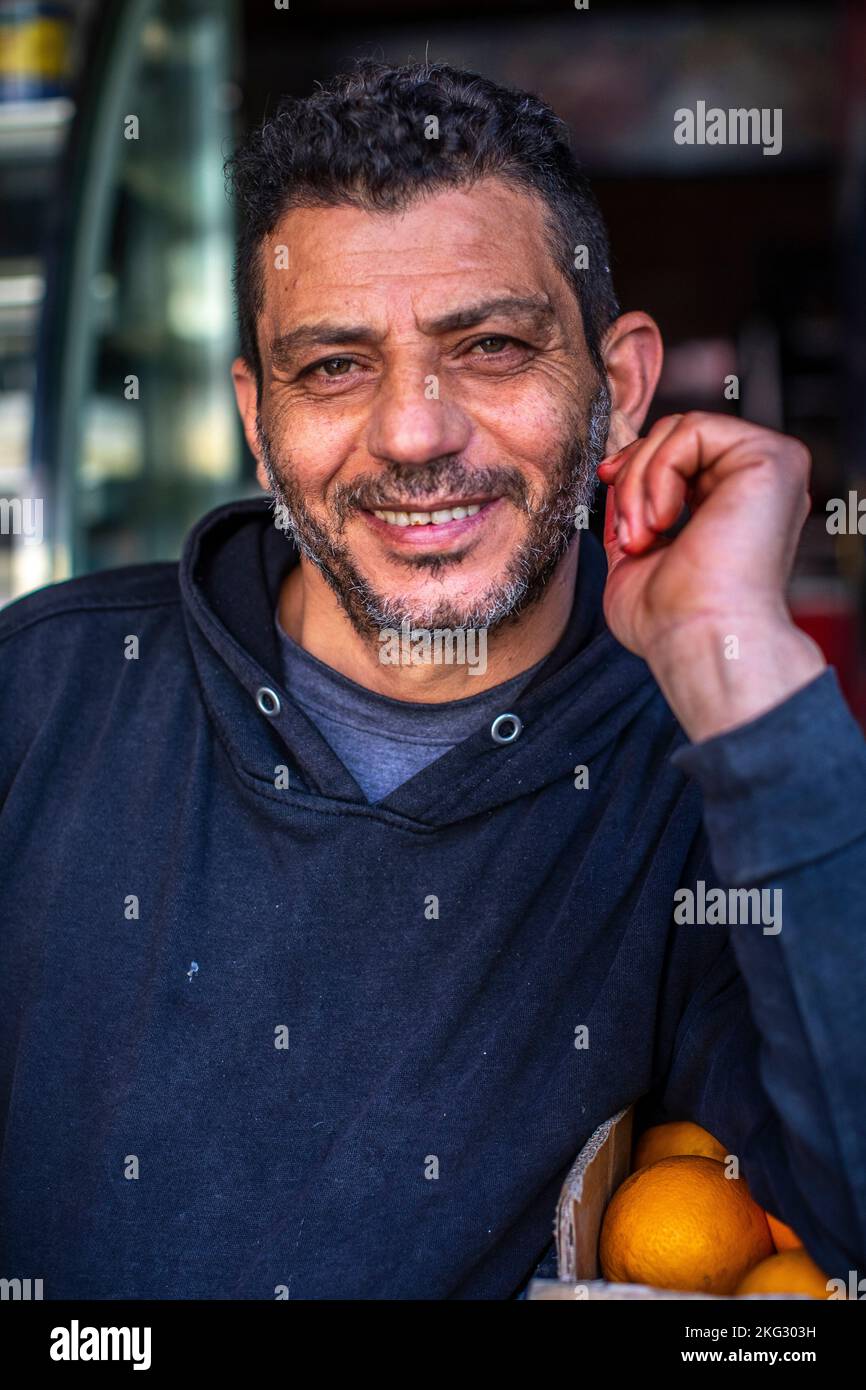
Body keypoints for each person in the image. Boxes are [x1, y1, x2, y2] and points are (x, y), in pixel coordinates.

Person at [1, 59, 864, 1301]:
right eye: (334, 367)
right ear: (257, 418)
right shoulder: (43, 696)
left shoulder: (698, 783)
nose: (413, 433)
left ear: (615, 390)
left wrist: (740, 655)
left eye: (493, 346)